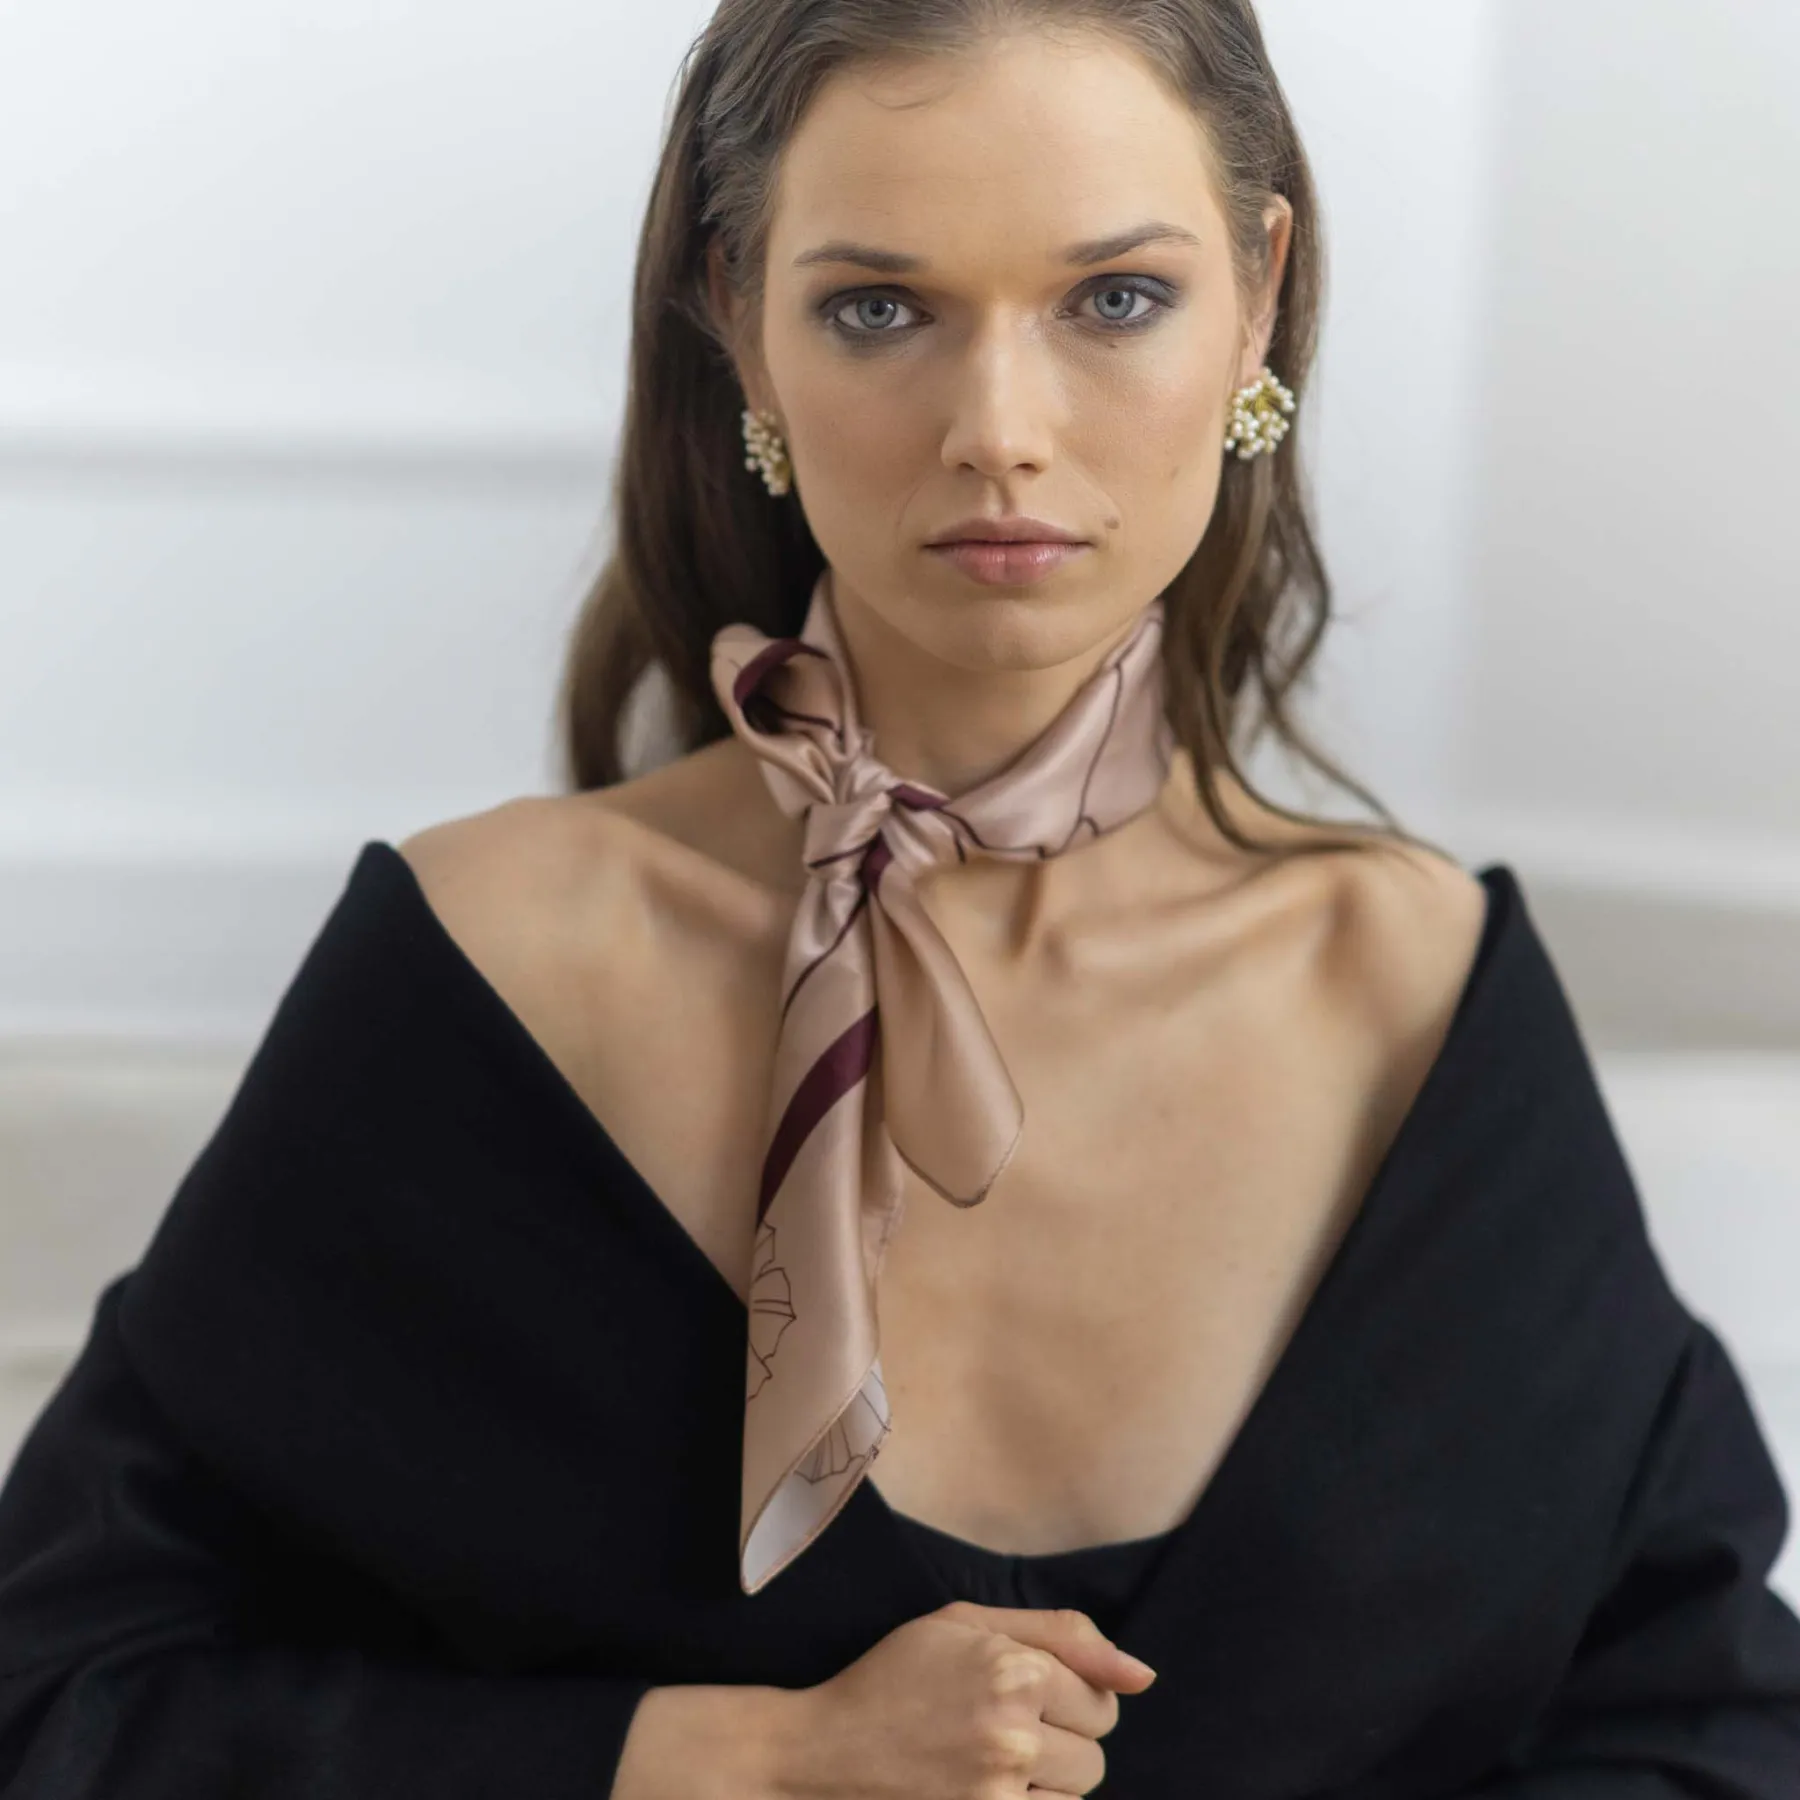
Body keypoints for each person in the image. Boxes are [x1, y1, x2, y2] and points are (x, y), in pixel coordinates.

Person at [3, 1, 1799, 1795]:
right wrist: (738, 1763)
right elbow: (60, 1694)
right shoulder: (497, 965)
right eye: (879, 309)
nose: (998, 432)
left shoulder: (1415, 992)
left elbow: (1704, 1716)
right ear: (740, 322)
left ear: (1259, 297)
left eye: (1116, 298)